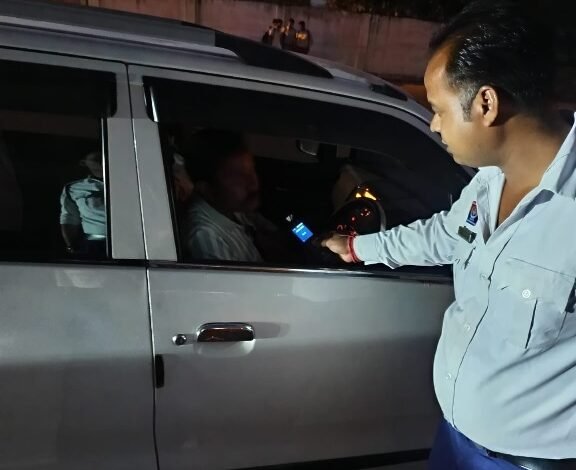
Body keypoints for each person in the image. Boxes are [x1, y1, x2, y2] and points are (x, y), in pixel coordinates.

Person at [323, 1, 576, 469]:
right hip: (455, 439)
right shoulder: (490, 177)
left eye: (438, 109)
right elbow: (447, 234)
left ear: (486, 104)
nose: (435, 124)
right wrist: (359, 247)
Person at [182, 129, 279, 263]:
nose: (253, 184)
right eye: (238, 178)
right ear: (207, 190)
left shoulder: (231, 206)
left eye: (251, 171)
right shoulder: (208, 238)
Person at [60, 151, 106, 257]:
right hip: (94, 246)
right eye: (96, 159)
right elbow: (69, 219)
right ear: (83, 162)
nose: (101, 161)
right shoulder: (74, 188)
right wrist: (70, 246)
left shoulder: (131, 182)